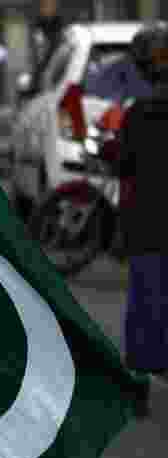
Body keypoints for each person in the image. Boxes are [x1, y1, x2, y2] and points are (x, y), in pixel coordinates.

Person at [117, 21, 168, 417]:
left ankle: (139, 390)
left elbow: (125, 167)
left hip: (149, 227)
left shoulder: (139, 114)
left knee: (145, 310)